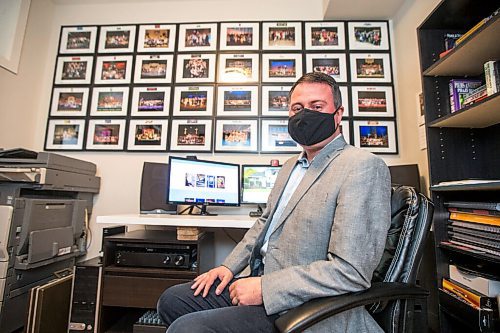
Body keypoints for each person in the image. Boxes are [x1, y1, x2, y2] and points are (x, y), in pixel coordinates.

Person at [157, 72, 391, 333]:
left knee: (189, 329)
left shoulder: (362, 166)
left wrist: (265, 289)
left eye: (316, 107)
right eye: (297, 108)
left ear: (338, 114)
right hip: (260, 280)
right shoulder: (291, 165)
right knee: (172, 301)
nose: (305, 115)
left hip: (307, 304)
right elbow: (265, 222)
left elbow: (351, 272)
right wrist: (227, 267)